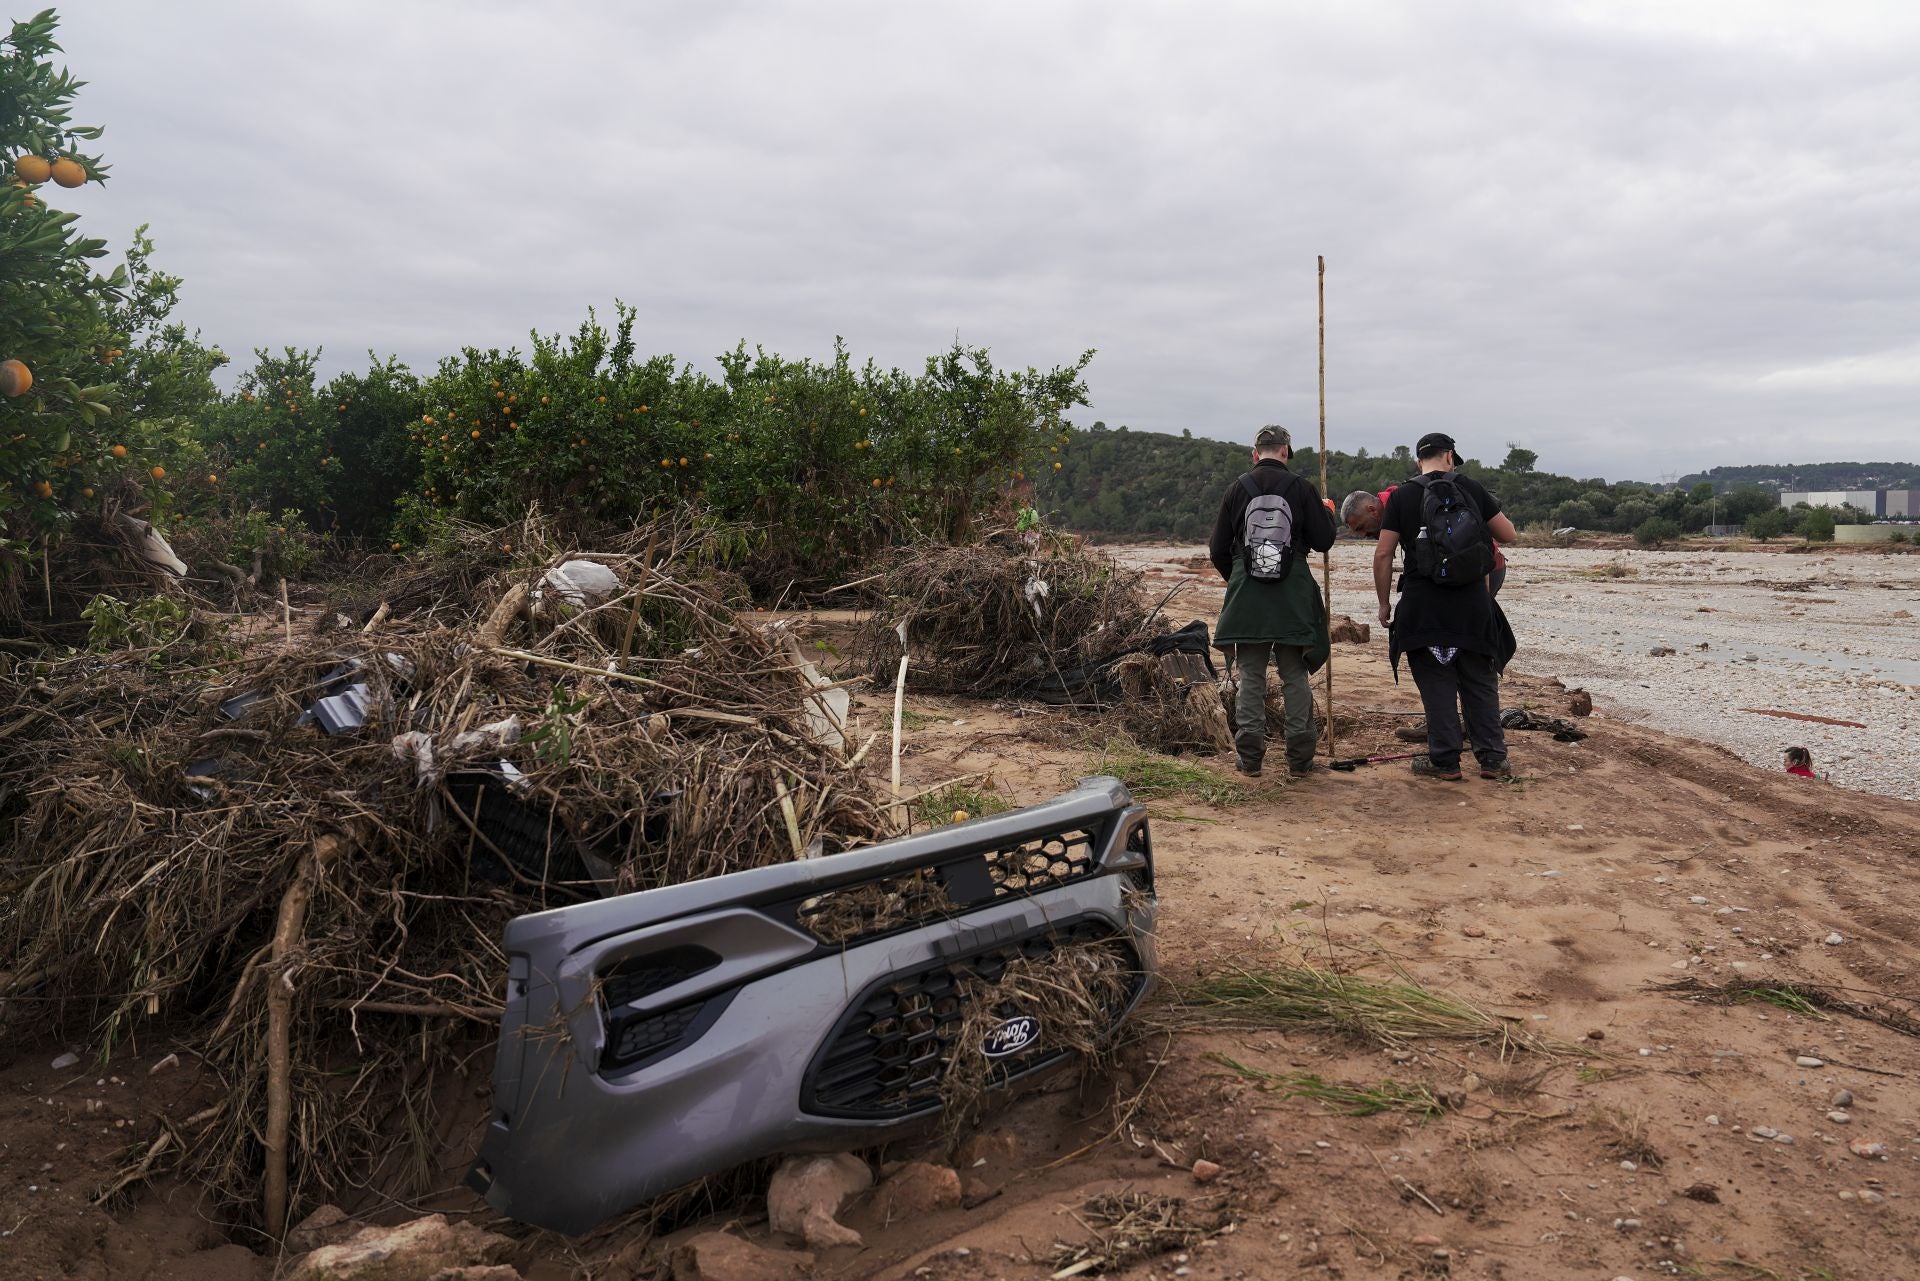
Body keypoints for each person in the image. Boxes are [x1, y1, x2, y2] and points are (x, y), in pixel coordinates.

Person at [1373, 432, 1518, 781]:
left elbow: (1383, 554)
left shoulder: (1403, 495)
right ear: (1450, 457)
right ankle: (1493, 759)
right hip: (1471, 606)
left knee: (1436, 683)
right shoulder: (1471, 489)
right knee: (1479, 682)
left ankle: (1445, 762)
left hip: (1423, 608)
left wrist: (1383, 604)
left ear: (1418, 461)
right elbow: (1508, 535)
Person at [1208, 424, 1337, 778]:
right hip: (1293, 590)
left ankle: (1250, 759)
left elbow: (1218, 549)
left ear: (1255, 454)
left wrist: (1238, 577)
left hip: (1247, 592)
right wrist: (1326, 512)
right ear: (1285, 452)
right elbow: (1324, 541)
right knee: (1294, 674)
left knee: (1250, 674)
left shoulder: (1236, 488)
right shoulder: (1302, 488)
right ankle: (1300, 760)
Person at [1345, 483, 1508, 596]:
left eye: (1361, 527)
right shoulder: (1399, 499)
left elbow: (1383, 555)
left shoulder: (1399, 505)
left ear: (1372, 510)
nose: (1362, 534)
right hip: (1470, 565)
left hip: (1485, 566)